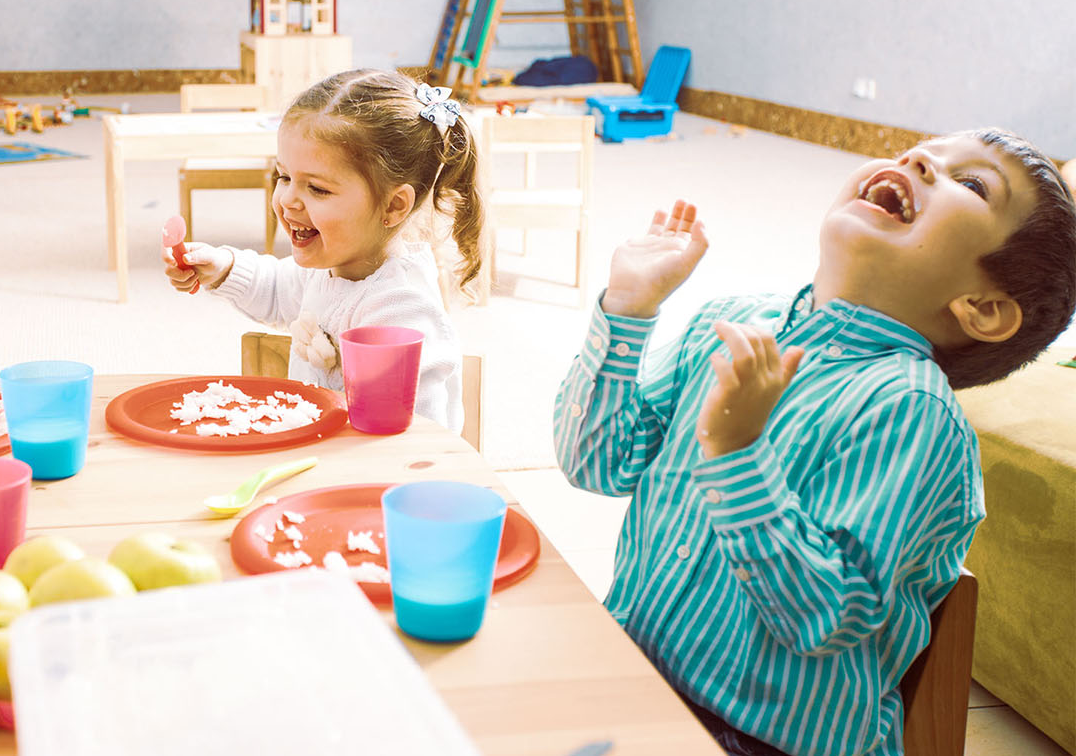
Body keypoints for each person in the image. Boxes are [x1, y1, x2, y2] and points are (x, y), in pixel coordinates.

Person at [553, 129, 1076, 756]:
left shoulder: (912, 414)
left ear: (982, 307)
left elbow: (821, 616)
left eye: (972, 184)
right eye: (924, 149)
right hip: (633, 677)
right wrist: (629, 309)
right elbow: (596, 463)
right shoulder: (734, 319)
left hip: (762, 741)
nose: (917, 159)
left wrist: (736, 453)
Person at [161, 69, 483, 431]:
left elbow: (418, 440)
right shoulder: (335, 266)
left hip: (380, 476)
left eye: (317, 189)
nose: (287, 201)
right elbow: (278, 288)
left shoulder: (399, 309)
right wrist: (223, 267)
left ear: (393, 206)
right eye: (283, 177)